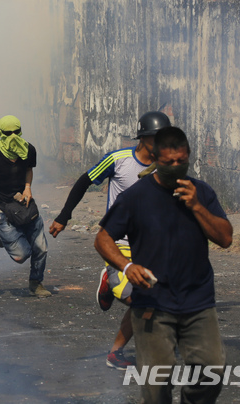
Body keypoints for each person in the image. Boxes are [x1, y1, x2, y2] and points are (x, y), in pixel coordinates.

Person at [94, 127, 232, 403]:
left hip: (198, 300)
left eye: (181, 161)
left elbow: (225, 238)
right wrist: (125, 267)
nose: (175, 167)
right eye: (168, 163)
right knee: (156, 386)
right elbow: (103, 238)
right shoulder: (136, 197)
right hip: (153, 303)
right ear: (155, 158)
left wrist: (196, 206)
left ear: (189, 157)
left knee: (212, 371)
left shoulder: (201, 193)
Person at [49, 111, 171, 369]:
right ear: (142, 138)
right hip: (117, 244)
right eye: (156, 138)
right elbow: (84, 181)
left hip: (148, 247)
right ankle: (108, 280)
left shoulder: (166, 167)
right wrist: (63, 216)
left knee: (151, 303)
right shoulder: (118, 160)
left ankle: (115, 354)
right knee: (135, 299)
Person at [0, 115, 51, 298]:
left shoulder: (28, 149)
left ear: (21, 131)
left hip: (23, 203)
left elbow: (29, 169)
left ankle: (36, 283)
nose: (13, 136)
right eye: (8, 133)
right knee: (22, 255)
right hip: (1, 207)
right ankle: (4, 236)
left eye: (16, 132)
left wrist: (28, 187)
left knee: (41, 247)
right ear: (0, 133)